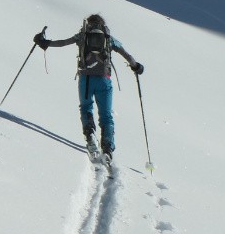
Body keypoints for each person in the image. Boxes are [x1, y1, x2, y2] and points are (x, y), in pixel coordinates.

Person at [33, 13, 144, 157]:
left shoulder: (82, 36)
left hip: (85, 79)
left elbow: (63, 42)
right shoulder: (108, 38)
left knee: (86, 107)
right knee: (106, 116)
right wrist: (136, 67)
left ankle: (90, 135)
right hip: (104, 80)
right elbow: (127, 55)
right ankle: (107, 148)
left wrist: (45, 42)